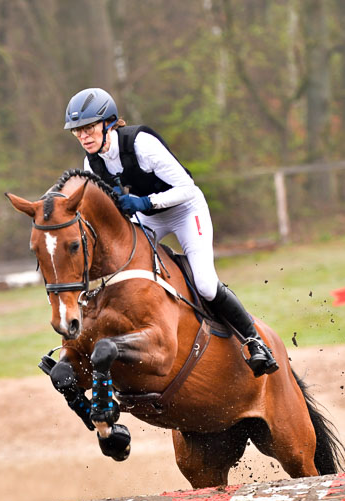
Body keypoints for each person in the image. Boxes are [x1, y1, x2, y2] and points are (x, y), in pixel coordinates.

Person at [64, 87, 278, 377]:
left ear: (109, 123)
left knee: (205, 284)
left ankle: (255, 341)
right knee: (122, 272)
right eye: (77, 131)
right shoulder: (91, 163)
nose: (83, 136)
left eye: (89, 128)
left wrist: (145, 202)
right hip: (148, 218)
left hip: (185, 211)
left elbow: (187, 187)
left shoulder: (141, 144)